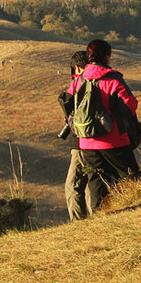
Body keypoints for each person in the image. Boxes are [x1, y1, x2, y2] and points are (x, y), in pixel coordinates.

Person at [66, 39, 140, 206]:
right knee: (132, 176)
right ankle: (136, 206)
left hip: (86, 141)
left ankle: (101, 214)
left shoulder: (79, 79)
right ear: (107, 56)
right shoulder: (113, 79)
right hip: (113, 139)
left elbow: (68, 104)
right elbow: (130, 106)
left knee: (96, 182)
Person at [59, 50, 92, 221]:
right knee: (91, 184)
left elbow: (67, 103)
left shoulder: (79, 83)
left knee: (73, 186)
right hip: (102, 141)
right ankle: (98, 218)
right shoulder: (103, 80)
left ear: (77, 68)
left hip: (81, 141)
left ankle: (79, 223)